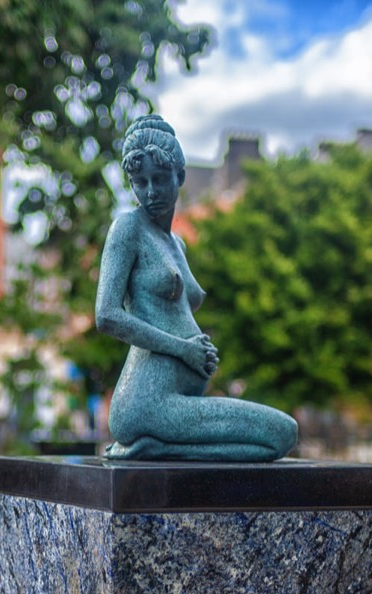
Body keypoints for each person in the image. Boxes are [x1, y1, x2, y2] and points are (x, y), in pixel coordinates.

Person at [95, 114, 298, 461]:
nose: (150, 192)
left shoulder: (178, 244)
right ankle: (151, 441)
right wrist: (182, 349)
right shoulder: (128, 228)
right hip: (146, 399)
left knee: (276, 442)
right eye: (139, 182)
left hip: (178, 399)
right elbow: (107, 316)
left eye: (159, 179)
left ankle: (159, 448)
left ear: (181, 177)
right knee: (281, 432)